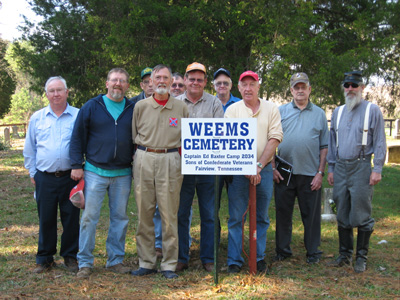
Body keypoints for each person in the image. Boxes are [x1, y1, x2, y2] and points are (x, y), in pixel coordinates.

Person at [69, 68, 135, 278]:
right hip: (94, 171)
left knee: (120, 218)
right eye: (114, 80)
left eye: (122, 81)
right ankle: (85, 262)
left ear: (127, 86)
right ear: (106, 83)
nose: (118, 84)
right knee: (89, 217)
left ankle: (115, 260)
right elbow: (77, 137)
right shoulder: (92, 106)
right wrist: (76, 164)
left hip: (123, 173)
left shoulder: (133, 108)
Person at [130, 64, 189, 279]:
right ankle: (146, 262)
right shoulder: (141, 107)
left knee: (169, 213)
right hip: (145, 157)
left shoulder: (181, 108)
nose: (162, 81)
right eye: (158, 78)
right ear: (151, 82)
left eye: (166, 78)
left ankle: (169, 264)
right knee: (144, 212)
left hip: (171, 159)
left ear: (172, 82)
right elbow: (134, 134)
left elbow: (186, 137)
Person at [327, 70, 386, 273]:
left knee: (361, 211)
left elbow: (379, 140)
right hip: (341, 166)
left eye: (354, 85)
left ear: (362, 87)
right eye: (347, 85)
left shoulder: (372, 110)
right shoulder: (337, 112)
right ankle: (344, 255)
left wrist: (377, 168)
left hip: (362, 166)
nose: (350, 89)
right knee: (341, 209)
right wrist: (332, 168)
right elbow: (332, 142)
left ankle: (361, 256)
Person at [225, 70, 283, 274]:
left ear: (258, 86)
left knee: (262, 216)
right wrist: (247, 167)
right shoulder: (232, 111)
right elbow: (230, 142)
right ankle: (234, 259)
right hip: (239, 172)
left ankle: (258, 257)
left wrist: (258, 165)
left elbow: (275, 138)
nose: (248, 88)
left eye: (252, 84)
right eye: (244, 85)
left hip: (264, 170)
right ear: (239, 88)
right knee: (236, 217)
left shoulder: (271, 108)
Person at [23, 76, 80, 273]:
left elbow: (85, 145)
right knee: (46, 218)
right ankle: (45, 258)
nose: (55, 94)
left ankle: (71, 257)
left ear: (67, 92)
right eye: (51, 91)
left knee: (71, 218)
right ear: (46, 94)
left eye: (59, 90)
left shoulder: (78, 116)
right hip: (44, 177)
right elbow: (30, 148)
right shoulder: (37, 118)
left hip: (70, 177)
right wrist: (33, 173)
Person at [273, 72, 329, 264]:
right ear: (291, 90)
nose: (300, 90)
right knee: (283, 213)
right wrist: (273, 167)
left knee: (311, 216)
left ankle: (313, 252)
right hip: (284, 172)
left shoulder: (319, 114)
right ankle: (282, 250)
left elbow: (324, 146)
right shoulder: (280, 111)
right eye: (296, 87)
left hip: (310, 173)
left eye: (303, 87)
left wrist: (320, 173)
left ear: (309, 89)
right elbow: (271, 140)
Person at [176, 62, 224, 272]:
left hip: (207, 167)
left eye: (200, 79)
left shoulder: (214, 103)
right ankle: (180, 257)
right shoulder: (175, 102)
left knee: (209, 214)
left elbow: (219, 134)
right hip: (181, 168)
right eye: (191, 79)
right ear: (185, 80)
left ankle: (208, 258)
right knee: (180, 213)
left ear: (206, 82)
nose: (195, 82)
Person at [213, 67, 241, 202]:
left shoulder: (241, 104)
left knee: (237, 200)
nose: (222, 86)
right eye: (219, 83)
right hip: (214, 160)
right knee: (212, 202)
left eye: (225, 83)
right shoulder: (209, 104)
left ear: (231, 85)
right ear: (214, 86)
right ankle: (215, 225)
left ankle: (237, 224)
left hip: (234, 158)